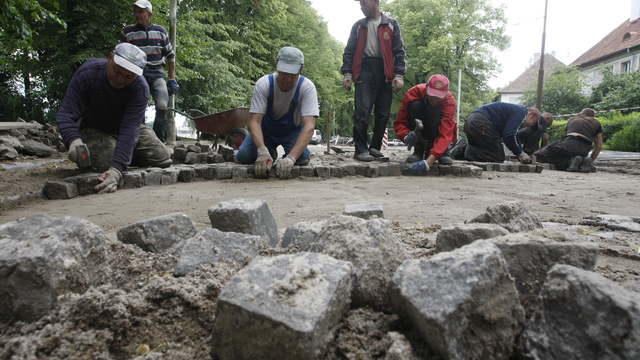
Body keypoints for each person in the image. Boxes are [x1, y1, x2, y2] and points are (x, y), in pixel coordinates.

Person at [56, 43, 172, 194]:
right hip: (92, 127)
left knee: (162, 157)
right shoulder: (88, 72)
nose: (120, 79)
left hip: (122, 128)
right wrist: (73, 140)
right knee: (106, 161)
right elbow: (66, 114)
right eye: (117, 71)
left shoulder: (140, 88)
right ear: (110, 58)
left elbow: (130, 130)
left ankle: (122, 154)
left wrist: (116, 170)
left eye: (129, 77)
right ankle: (117, 154)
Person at [236, 46, 319, 179]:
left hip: (292, 133)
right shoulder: (264, 84)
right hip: (265, 132)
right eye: (284, 72)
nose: (287, 79)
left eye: (292, 74)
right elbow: (254, 122)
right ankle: (269, 152)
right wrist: (262, 152)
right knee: (244, 156)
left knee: (302, 158)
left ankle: (288, 155)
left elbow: (309, 126)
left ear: (301, 69)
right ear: (276, 65)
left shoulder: (307, 87)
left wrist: (291, 159)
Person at [341, 0, 407, 162]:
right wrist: (347, 74)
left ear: (375, 2)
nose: (361, 7)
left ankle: (375, 147)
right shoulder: (358, 26)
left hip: (385, 70)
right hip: (364, 68)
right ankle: (361, 149)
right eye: (360, 4)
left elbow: (399, 51)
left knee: (383, 113)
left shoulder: (391, 25)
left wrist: (399, 75)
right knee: (362, 110)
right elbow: (349, 51)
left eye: (364, 3)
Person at [119, 0, 178, 143]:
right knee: (138, 107)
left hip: (157, 73)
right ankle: (139, 140)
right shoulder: (128, 32)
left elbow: (170, 55)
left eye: (141, 11)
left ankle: (158, 141)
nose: (137, 14)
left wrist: (171, 78)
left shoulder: (160, 31)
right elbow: (119, 54)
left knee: (162, 106)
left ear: (149, 14)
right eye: (135, 12)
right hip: (136, 73)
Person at [394, 75, 457, 175]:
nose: (434, 99)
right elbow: (400, 120)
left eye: (438, 96)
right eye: (432, 95)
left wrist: (428, 163)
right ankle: (418, 149)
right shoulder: (414, 92)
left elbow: (446, 133)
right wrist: (405, 136)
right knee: (415, 106)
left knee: (436, 111)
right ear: (427, 87)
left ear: (445, 94)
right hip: (420, 118)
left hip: (436, 126)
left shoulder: (449, 102)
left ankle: (441, 151)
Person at [451, 102, 542, 163]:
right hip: (481, 123)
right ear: (531, 114)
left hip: (472, 121)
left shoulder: (514, 111)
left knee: (484, 150)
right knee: (497, 156)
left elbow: (514, 136)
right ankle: (463, 150)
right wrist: (520, 154)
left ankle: (461, 149)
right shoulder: (521, 113)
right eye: (533, 123)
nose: (530, 126)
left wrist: (520, 152)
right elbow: (509, 135)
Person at [534, 108, 603, 172]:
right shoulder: (596, 123)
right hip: (585, 148)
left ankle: (570, 162)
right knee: (570, 153)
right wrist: (590, 161)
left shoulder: (573, 119)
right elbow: (599, 146)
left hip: (570, 142)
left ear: (580, 114)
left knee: (539, 155)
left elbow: (567, 137)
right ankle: (583, 161)